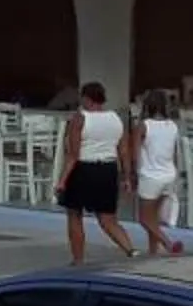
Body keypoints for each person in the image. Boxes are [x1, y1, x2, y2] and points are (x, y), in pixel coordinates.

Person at [56, 81, 138, 265]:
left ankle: (78, 259)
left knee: (75, 215)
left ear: (86, 98)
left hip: (84, 169)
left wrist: (62, 180)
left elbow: (73, 154)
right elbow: (124, 150)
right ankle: (131, 250)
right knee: (108, 219)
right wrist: (126, 176)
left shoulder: (80, 118)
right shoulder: (115, 118)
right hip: (108, 170)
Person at [132, 88, 189, 257]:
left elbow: (136, 155)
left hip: (150, 176)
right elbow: (174, 153)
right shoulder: (172, 126)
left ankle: (168, 245)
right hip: (168, 175)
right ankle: (153, 253)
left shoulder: (143, 126)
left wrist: (133, 175)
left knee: (144, 219)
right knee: (153, 219)